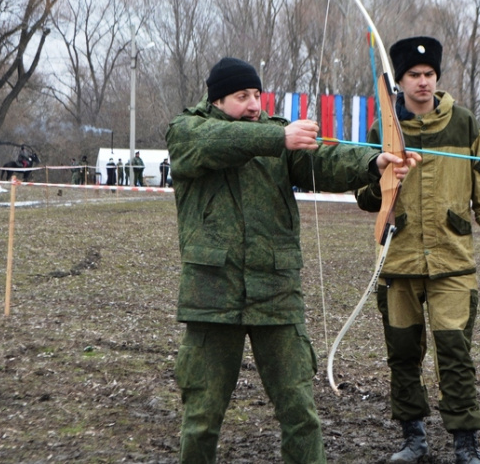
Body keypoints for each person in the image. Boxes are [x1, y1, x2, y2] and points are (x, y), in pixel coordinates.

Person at [165, 56, 418, 464]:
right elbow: (215, 142)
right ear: (215, 101)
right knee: (201, 418)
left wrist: (374, 163)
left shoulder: (277, 136)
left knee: (300, 414)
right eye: (240, 96)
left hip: (276, 294)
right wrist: (278, 138)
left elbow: (325, 162)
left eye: (256, 95)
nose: (252, 104)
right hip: (213, 296)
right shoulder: (188, 130)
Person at [354, 36, 480, 464]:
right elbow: (365, 197)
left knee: (455, 354)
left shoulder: (463, 123)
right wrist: (386, 174)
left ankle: (465, 446)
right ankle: (414, 440)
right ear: (399, 82)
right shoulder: (382, 130)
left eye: (429, 75)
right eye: (413, 76)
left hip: (452, 262)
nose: (422, 82)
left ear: (436, 78)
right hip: (398, 261)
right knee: (403, 355)